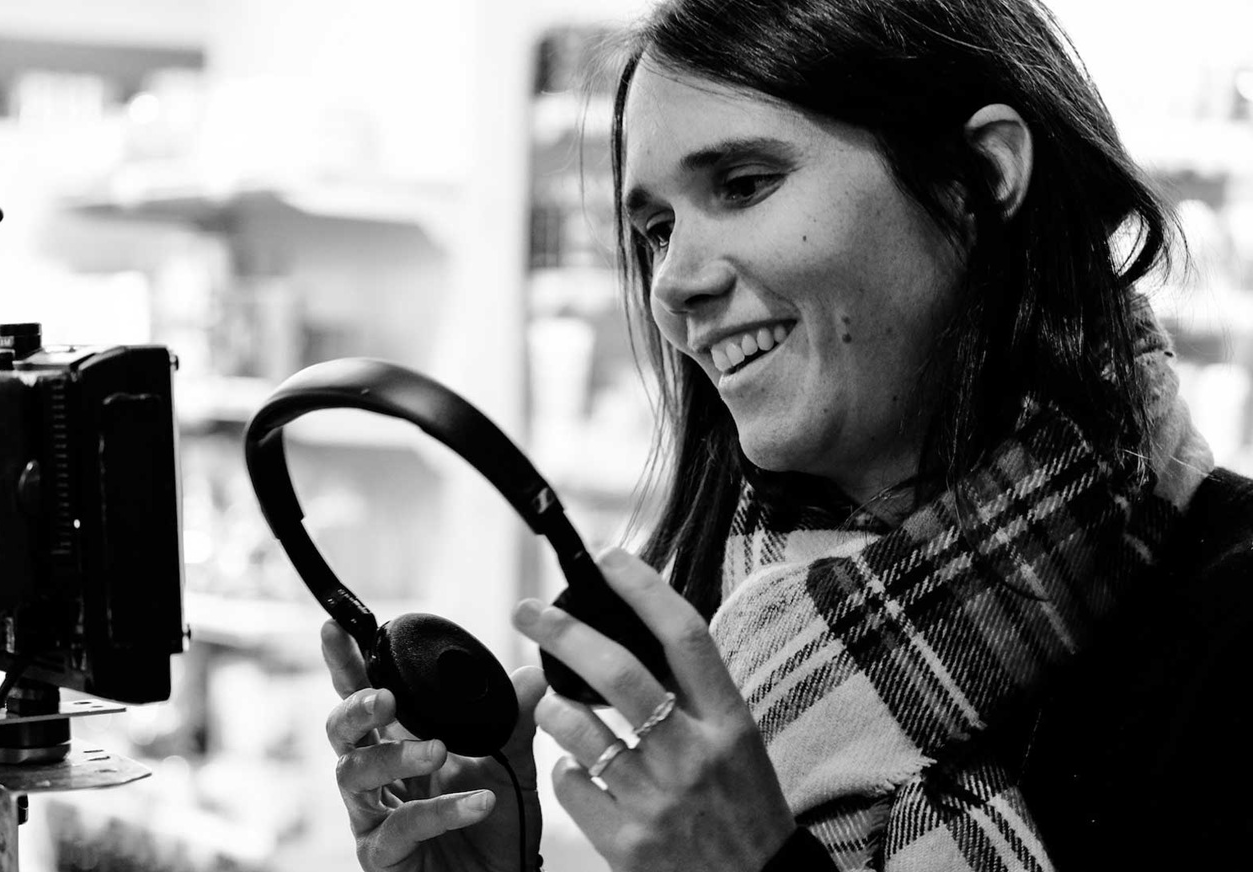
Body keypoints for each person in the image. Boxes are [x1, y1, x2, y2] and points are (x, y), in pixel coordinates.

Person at [319, 0, 1253, 869]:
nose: (673, 283)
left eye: (744, 183)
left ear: (980, 176)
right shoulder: (736, 629)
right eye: (655, 230)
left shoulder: (1228, 621)